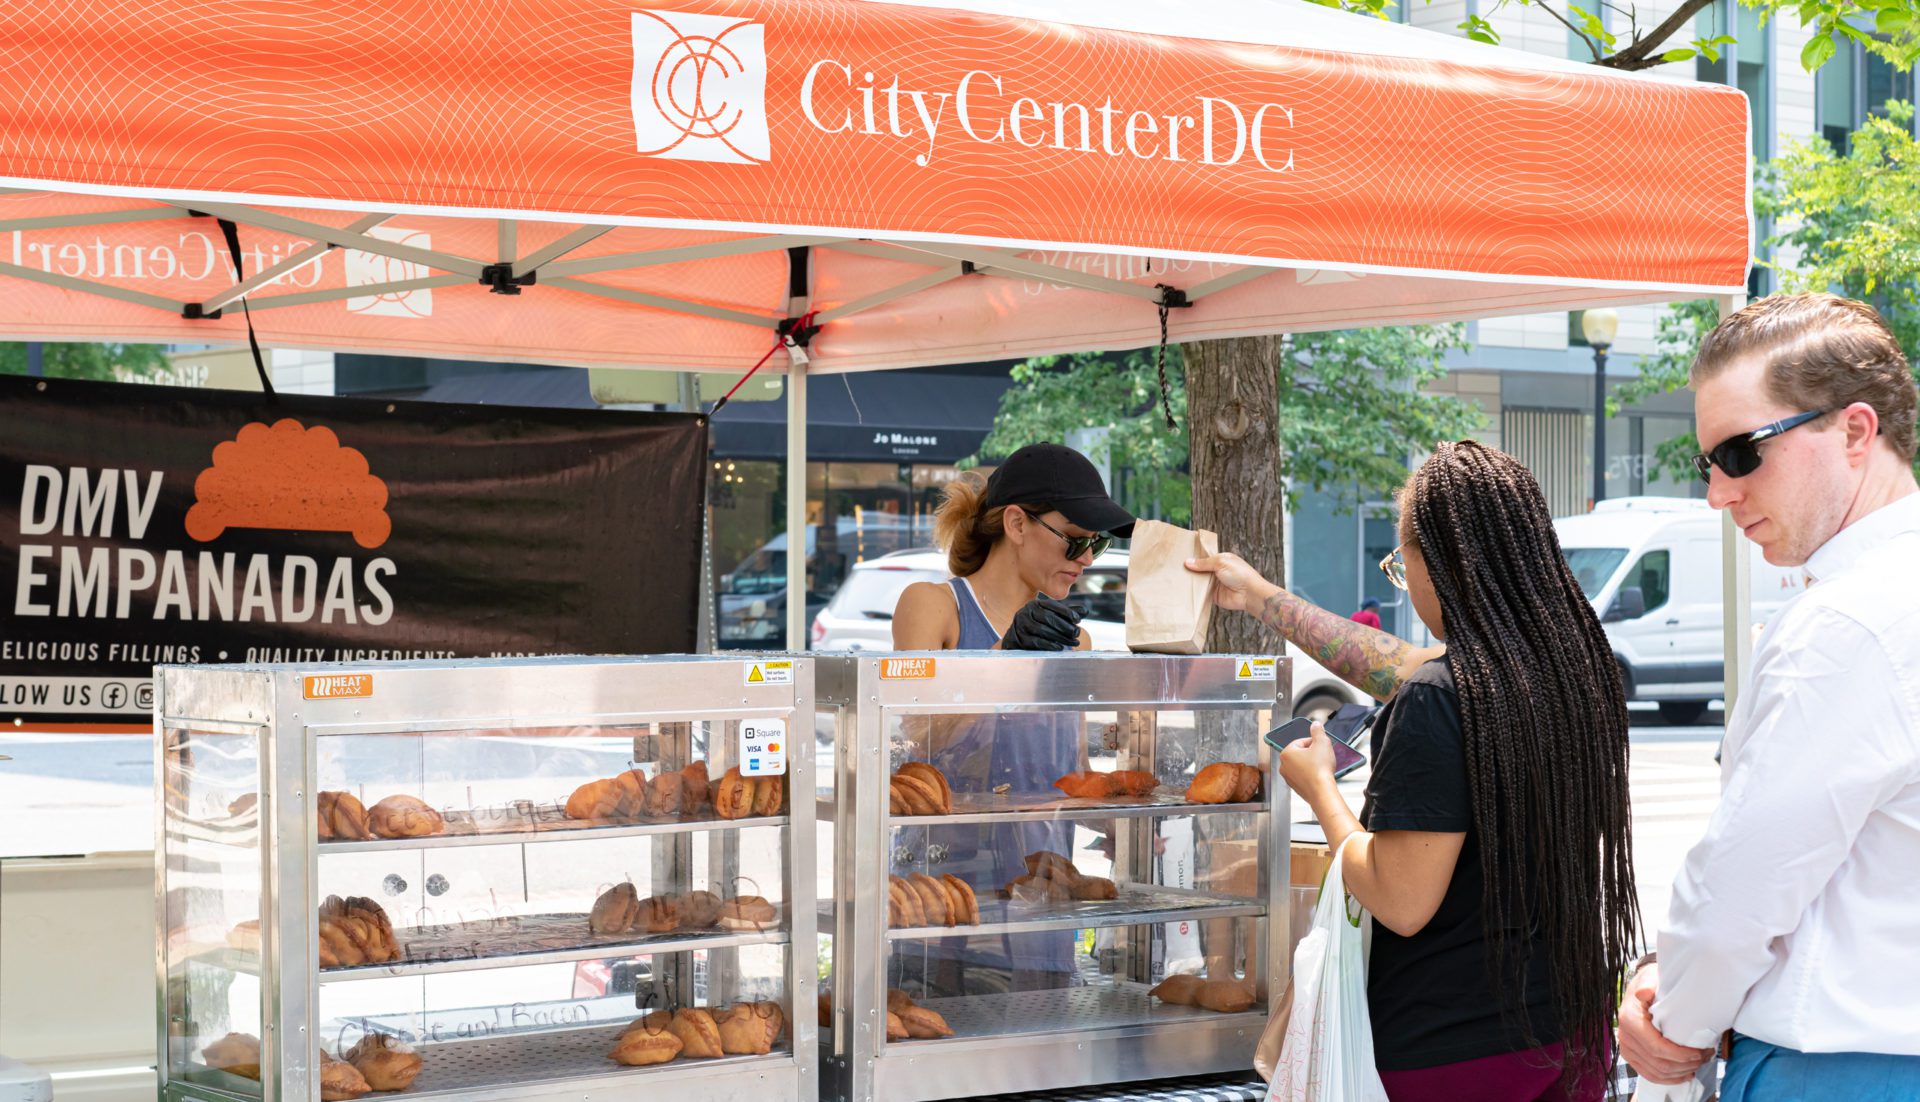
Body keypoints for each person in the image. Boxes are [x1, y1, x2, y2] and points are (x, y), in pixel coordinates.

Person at [1188, 440, 1635, 1102]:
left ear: (1443, 564)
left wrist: (1318, 789)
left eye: (1402, 564)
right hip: (1568, 1036)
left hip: (1449, 1054)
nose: (1405, 579)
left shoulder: (1441, 695)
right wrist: (1261, 598)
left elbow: (1399, 900)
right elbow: (1394, 662)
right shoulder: (1575, 678)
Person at [1615, 293, 1920, 1102]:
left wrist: (1673, 1014)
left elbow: (1743, 888)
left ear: (1856, 431)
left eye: (1744, 453)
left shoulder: (1848, 621)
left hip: (1840, 1064)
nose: (1719, 491)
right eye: (1707, 461)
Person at [890, 442, 1136, 993]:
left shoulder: (1078, 641)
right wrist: (1005, 657)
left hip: (1039, 899)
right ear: (1018, 523)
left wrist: (1131, 822)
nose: (1088, 558)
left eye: (1094, 543)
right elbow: (916, 735)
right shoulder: (934, 606)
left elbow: (1066, 775)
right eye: (1074, 539)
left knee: (1038, 1067)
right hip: (944, 894)